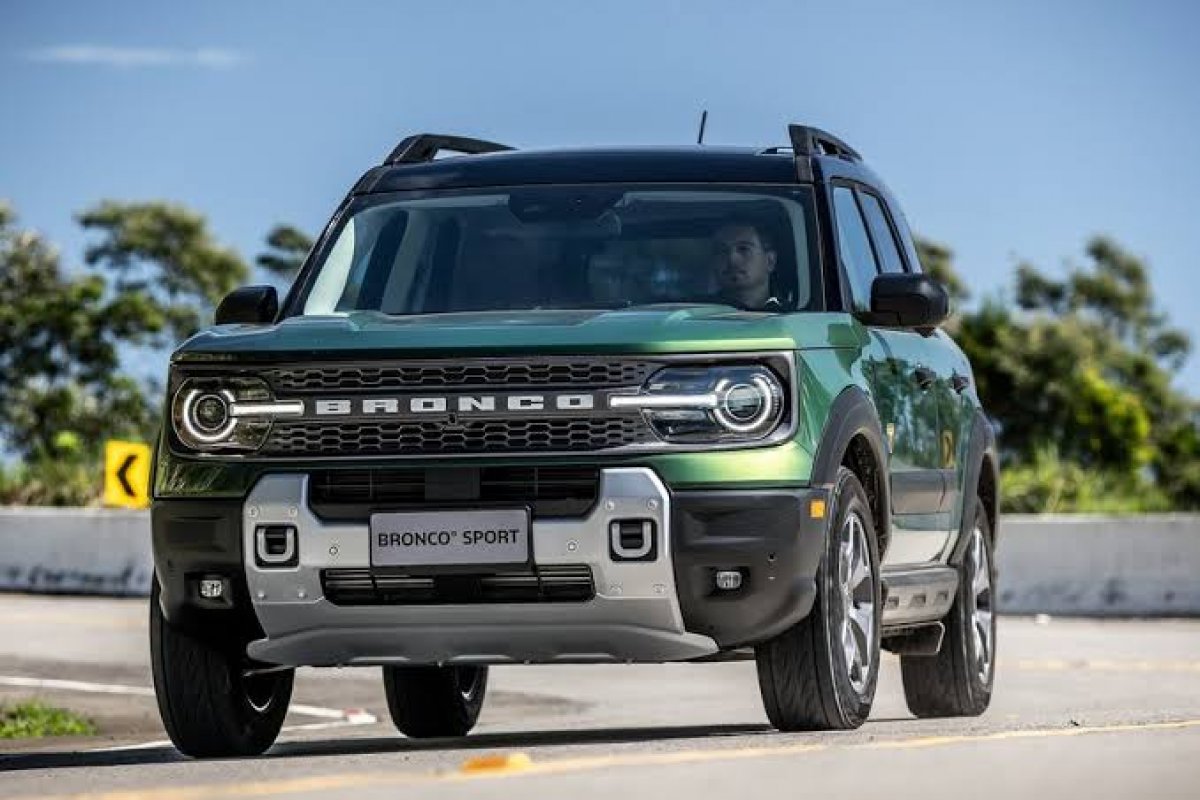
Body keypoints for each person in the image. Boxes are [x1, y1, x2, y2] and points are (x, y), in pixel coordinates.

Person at [711, 220, 780, 310]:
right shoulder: (695, 313)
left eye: (743, 249)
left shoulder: (794, 317)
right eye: (722, 250)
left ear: (770, 261)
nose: (732, 259)